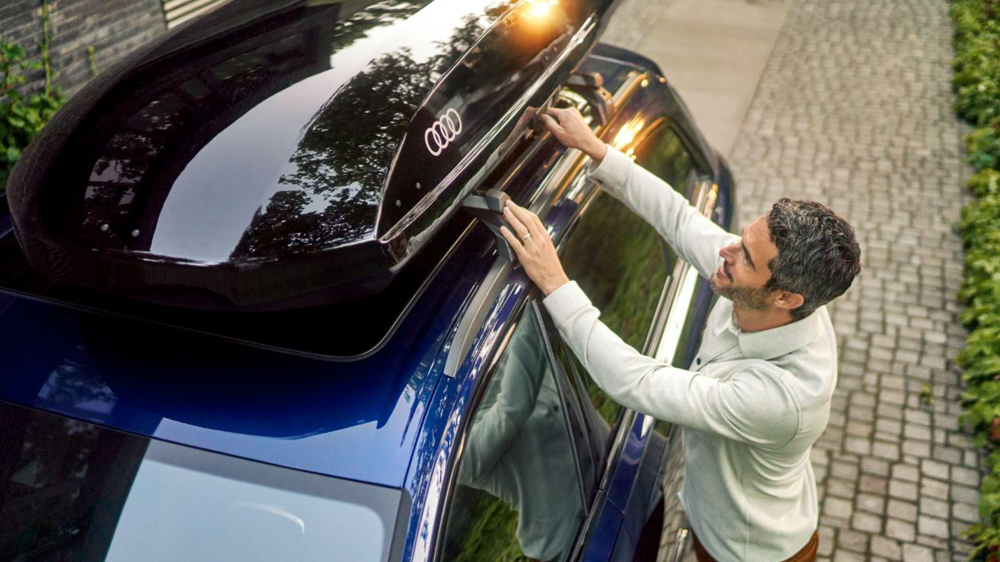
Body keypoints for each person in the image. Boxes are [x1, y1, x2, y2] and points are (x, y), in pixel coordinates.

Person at [496, 107, 861, 562]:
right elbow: (680, 220)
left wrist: (555, 282)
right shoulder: (763, 289)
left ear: (786, 297)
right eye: (742, 238)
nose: (726, 249)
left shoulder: (783, 399)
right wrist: (597, 149)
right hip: (719, 516)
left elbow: (636, 381)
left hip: (748, 550)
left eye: (746, 257)